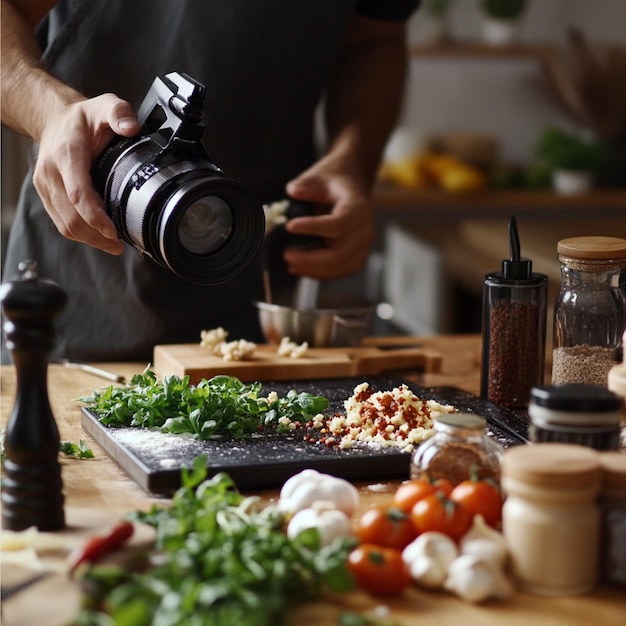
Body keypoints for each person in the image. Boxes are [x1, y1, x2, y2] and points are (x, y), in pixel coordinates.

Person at [1, 0, 420, 364]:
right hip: (82, 283)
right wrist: (52, 113)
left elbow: (374, 39)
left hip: (261, 288)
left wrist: (351, 160)